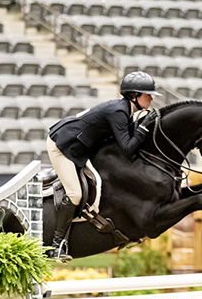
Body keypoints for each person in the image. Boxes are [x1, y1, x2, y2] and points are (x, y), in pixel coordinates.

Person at [46, 70, 160, 259]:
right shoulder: (119, 111)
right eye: (148, 95)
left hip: (81, 148)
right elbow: (128, 147)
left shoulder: (126, 110)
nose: (151, 99)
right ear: (134, 95)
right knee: (75, 194)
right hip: (63, 146)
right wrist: (143, 127)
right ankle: (57, 245)